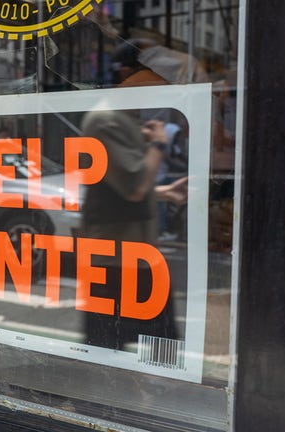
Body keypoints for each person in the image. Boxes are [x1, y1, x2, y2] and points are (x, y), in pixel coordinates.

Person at [80, 41, 188, 350]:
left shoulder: (125, 118)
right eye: (154, 75)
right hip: (116, 257)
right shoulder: (106, 120)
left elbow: (117, 189)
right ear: (127, 75)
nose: (161, 84)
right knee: (107, 346)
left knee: (160, 345)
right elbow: (135, 185)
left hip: (134, 252)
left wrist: (165, 193)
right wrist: (158, 143)